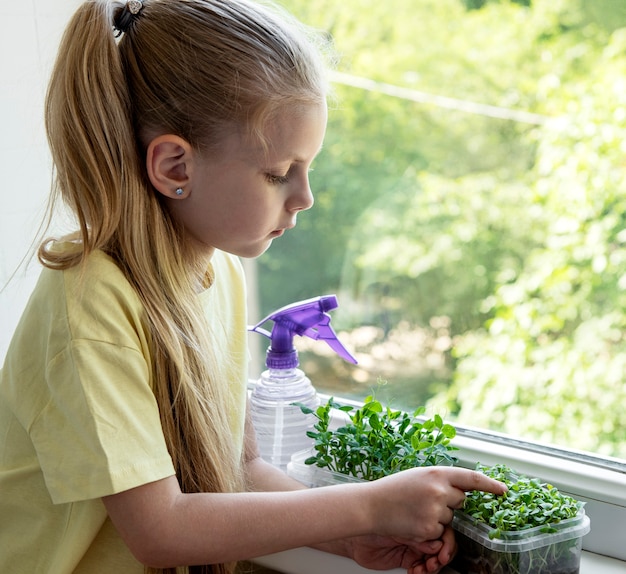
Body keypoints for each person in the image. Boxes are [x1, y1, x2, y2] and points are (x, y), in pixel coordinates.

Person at [0, 0, 507, 573]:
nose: (306, 198)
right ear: (174, 168)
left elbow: (238, 470)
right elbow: (161, 528)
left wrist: (352, 540)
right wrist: (368, 505)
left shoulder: (217, 275)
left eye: (308, 169)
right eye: (277, 173)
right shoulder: (90, 306)